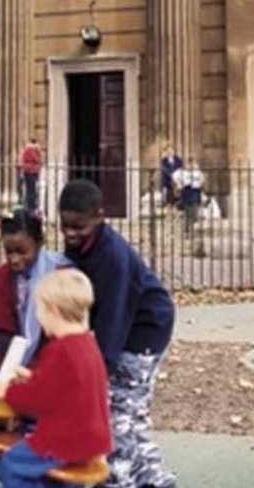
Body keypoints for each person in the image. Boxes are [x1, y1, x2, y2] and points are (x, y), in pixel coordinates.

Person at [59, 179, 176, 488]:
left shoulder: (112, 256)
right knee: (131, 413)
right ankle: (156, 478)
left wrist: (98, 372)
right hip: (124, 323)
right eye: (65, 226)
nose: (70, 234)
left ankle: (118, 479)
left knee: (119, 412)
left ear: (100, 217)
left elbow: (113, 321)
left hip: (144, 330)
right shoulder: (80, 246)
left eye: (79, 227)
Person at [0, 269, 112, 488]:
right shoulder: (88, 343)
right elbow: (71, 386)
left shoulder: (59, 350)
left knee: (10, 463)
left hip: (66, 440)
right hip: (93, 439)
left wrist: (6, 392)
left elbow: (38, 401)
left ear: (53, 311)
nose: (38, 317)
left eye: (40, 310)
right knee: (46, 472)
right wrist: (32, 377)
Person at [0, 207, 70, 371]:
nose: (14, 259)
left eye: (21, 252)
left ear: (39, 243)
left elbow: (64, 331)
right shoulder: (3, 276)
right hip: (15, 360)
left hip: (54, 358)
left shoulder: (60, 273)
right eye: (8, 252)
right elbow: (2, 328)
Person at [173, 157, 205, 234]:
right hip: (187, 191)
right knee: (187, 210)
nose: (191, 165)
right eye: (190, 163)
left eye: (193, 163)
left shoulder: (198, 172)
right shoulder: (182, 172)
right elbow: (174, 176)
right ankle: (186, 229)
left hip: (195, 191)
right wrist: (179, 184)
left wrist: (199, 183)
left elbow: (202, 180)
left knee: (194, 210)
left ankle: (191, 226)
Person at [18, 138, 43, 213]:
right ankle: (31, 207)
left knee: (30, 190)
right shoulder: (31, 150)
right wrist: (39, 153)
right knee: (31, 191)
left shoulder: (27, 149)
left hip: (29, 171)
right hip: (31, 172)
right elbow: (37, 160)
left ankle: (30, 206)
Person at [159, 143, 182, 207]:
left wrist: (176, 178)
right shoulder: (164, 161)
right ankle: (169, 215)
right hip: (168, 184)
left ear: (173, 151)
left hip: (177, 184)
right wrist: (171, 175)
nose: (170, 152)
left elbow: (180, 169)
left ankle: (176, 215)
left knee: (177, 202)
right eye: (168, 151)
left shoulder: (178, 160)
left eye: (171, 150)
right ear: (166, 152)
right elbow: (164, 170)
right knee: (169, 202)